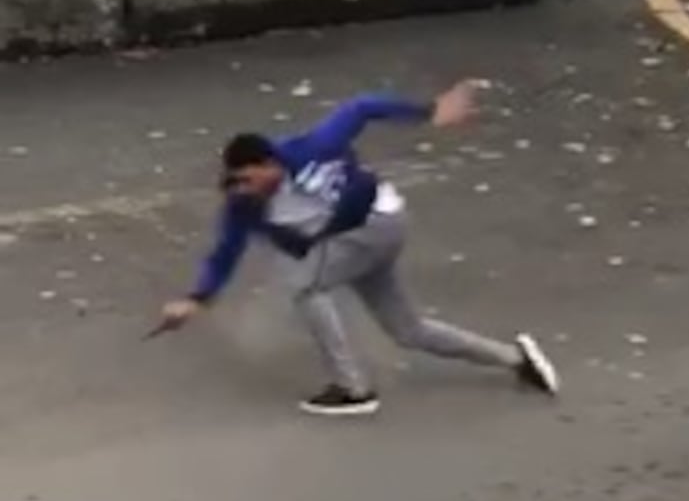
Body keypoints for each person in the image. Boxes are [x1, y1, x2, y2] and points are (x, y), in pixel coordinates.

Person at [158, 80, 559, 417]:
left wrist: (429, 111)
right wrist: (198, 297)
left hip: (378, 222)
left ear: (269, 162)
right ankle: (516, 359)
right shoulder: (244, 205)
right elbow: (225, 251)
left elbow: (362, 107)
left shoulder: (312, 147)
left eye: (249, 178)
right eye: (237, 182)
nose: (245, 189)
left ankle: (353, 388)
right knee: (409, 330)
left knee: (304, 286)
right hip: (356, 244)